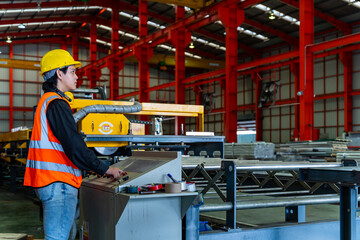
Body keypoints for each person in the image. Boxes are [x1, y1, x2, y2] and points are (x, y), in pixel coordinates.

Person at [24, 49, 123, 240]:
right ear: (59, 74)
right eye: (72, 71)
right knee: (57, 237)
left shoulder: (47, 102)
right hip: (58, 182)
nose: (77, 77)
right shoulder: (56, 103)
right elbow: (74, 145)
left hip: (50, 181)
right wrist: (104, 169)